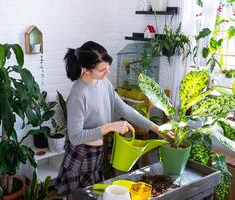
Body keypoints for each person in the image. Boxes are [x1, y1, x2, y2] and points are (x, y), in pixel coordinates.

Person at [54, 41, 174, 199]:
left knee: (95, 195)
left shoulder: (104, 83)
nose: (108, 72)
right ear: (87, 70)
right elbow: (75, 138)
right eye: (102, 70)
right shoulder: (78, 94)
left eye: (108, 67)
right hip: (80, 157)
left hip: (96, 154)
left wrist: (156, 128)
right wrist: (111, 126)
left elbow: (124, 109)